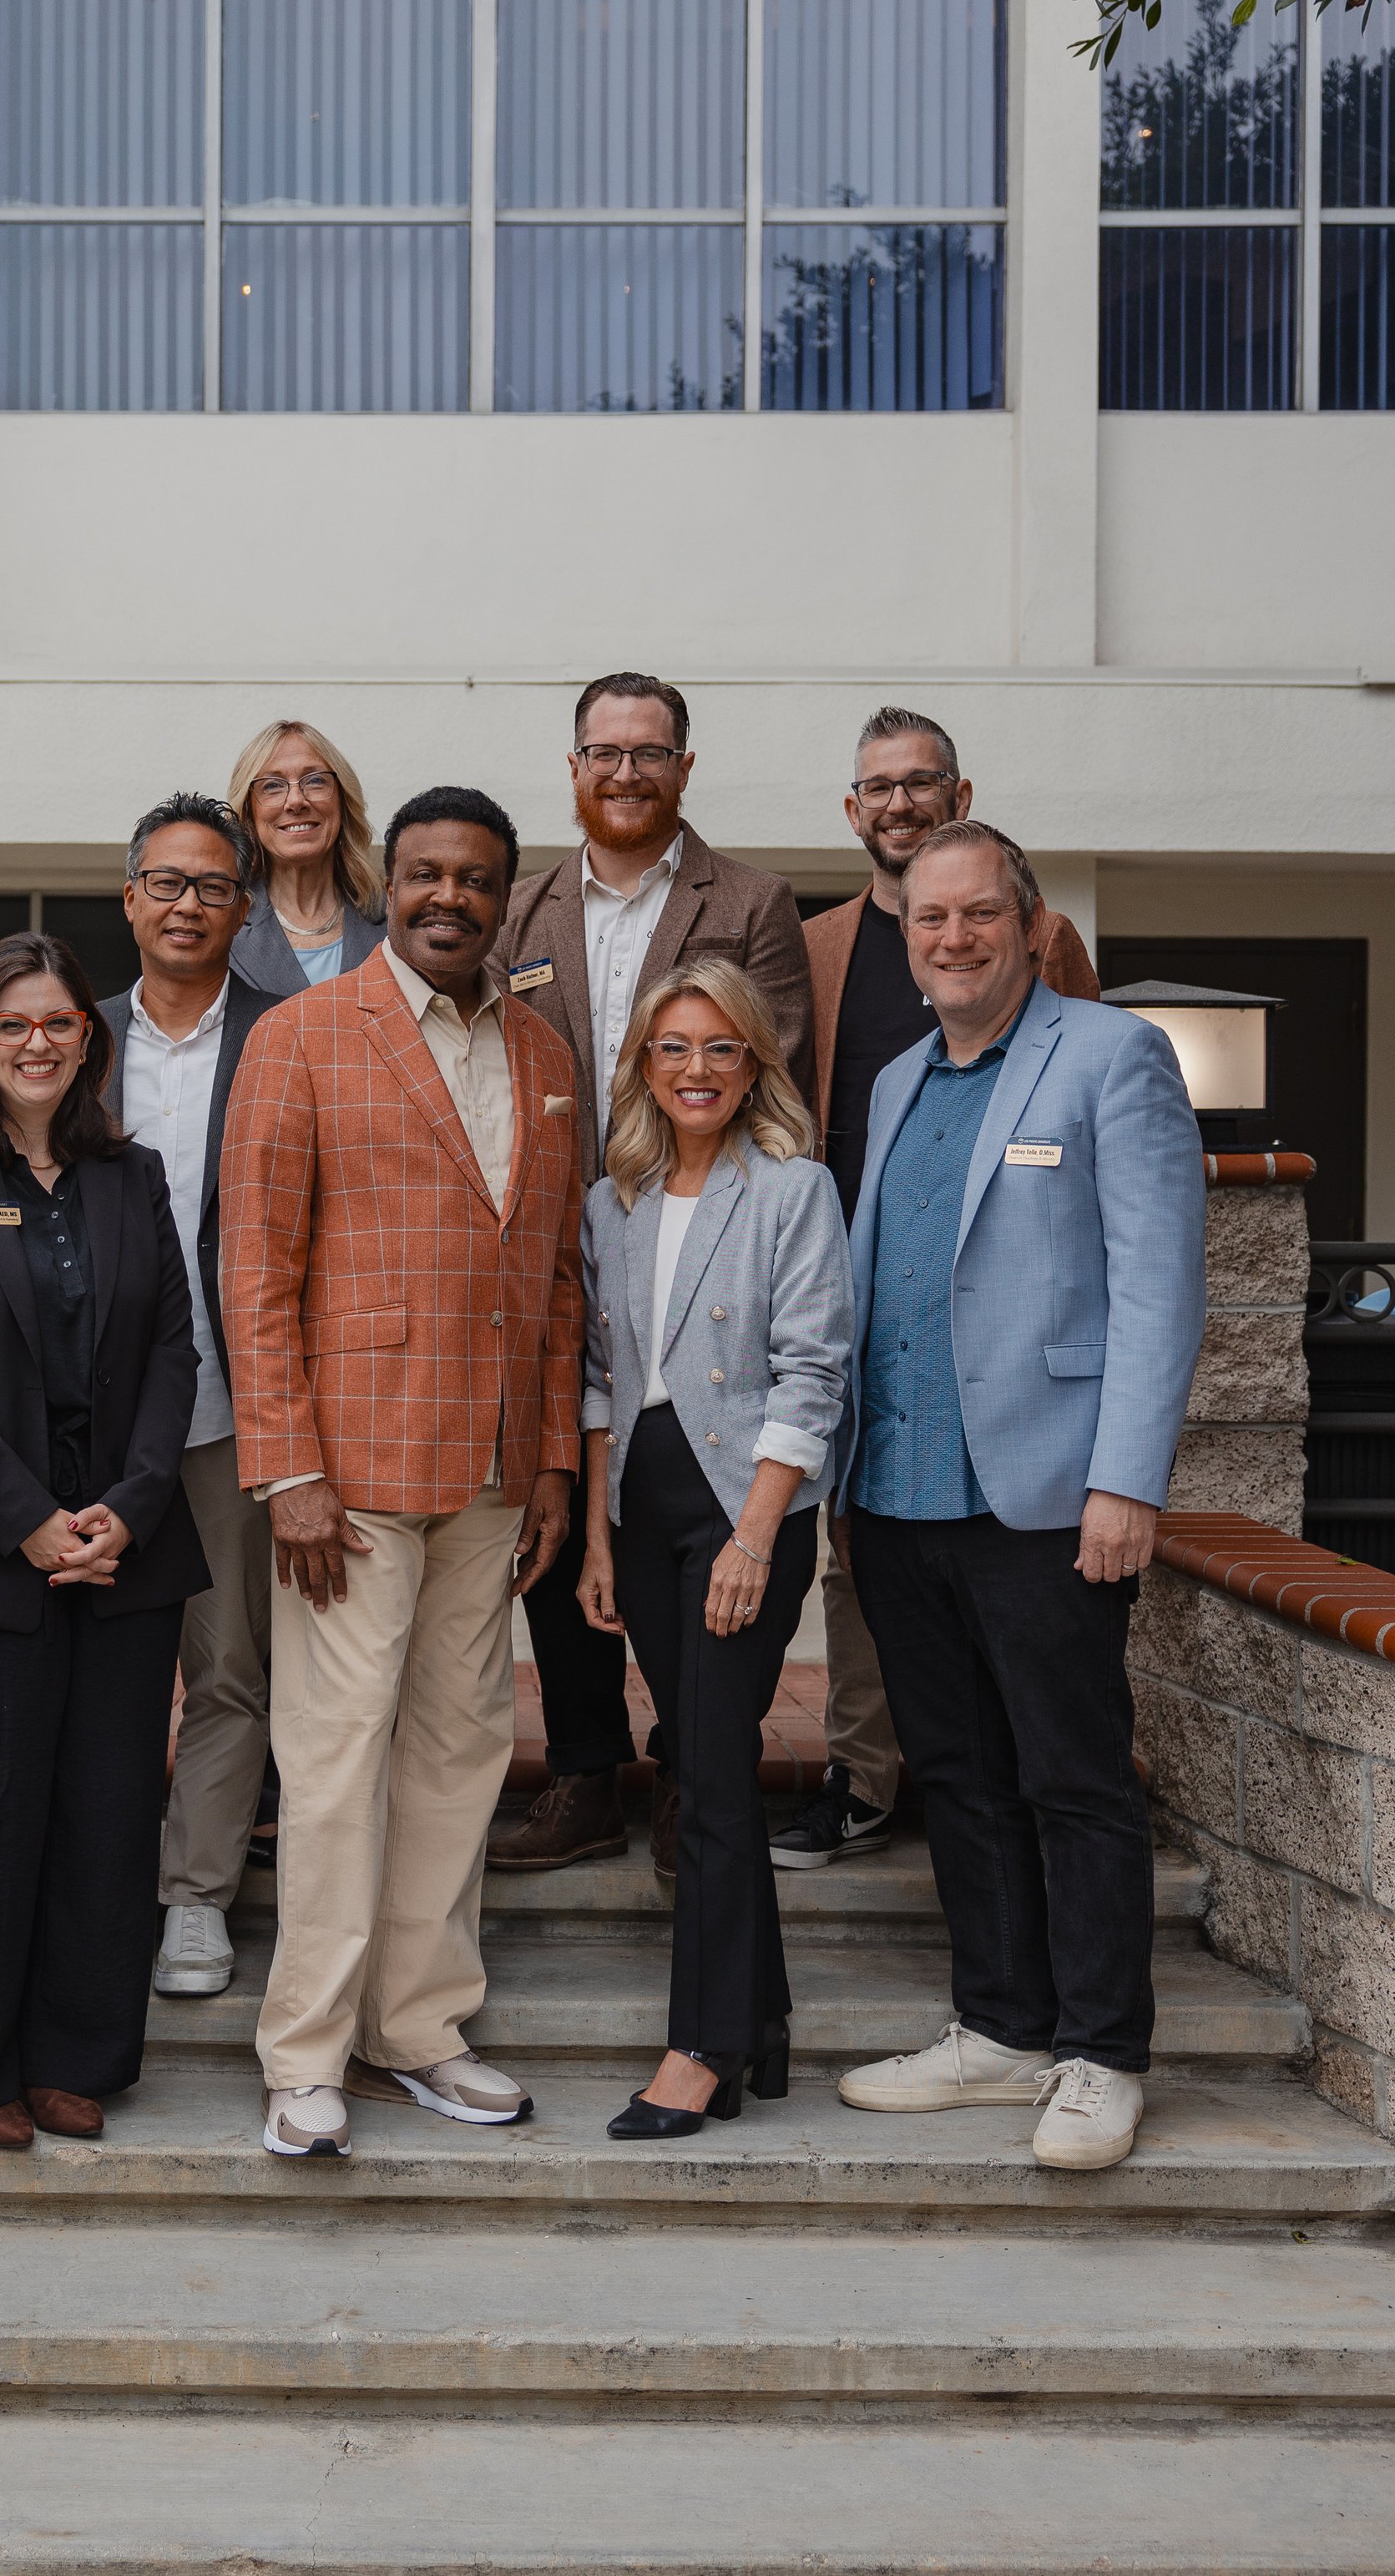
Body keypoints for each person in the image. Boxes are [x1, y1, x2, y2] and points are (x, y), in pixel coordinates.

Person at [832, 820, 1205, 2172]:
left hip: (1048, 1497)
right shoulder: (895, 1081)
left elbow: (1162, 1283)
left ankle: (1101, 2053)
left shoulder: (1113, 1058)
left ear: (1031, 925)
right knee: (960, 1776)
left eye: (979, 914)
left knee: (1074, 1779)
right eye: (930, 920)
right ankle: (998, 2028)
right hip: (899, 1488)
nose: (953, 939)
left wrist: (1126, 1481)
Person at [221, 786, 584, 2161]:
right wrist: (285, 1467)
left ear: (504, 897)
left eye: (477, 881)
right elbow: (255, 1271)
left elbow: (550, 1280)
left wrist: (551, 1462)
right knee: (330, 1760)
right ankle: (306, 2051)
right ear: (397, 881)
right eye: (427, 874)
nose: (450, 899)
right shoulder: (304, 1035)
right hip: (348, 1471)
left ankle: (419, 2026)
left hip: (491, 1469)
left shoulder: (544, 1051)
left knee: (460, 1749)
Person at [0, 934, 210, 2149]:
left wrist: (135, 1499)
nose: (38, 1042)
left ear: (90, 1039)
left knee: (105, 1815)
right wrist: (27, 1523)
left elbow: (175, 1351)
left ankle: (79, 2058)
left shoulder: (134, 1176)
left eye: (60, 1021)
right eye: (13, 1023)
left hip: (120, 1549)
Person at [489, 670, 816, 1875]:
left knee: (695, 1513)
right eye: (603, 751)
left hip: (698, 1238)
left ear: (685, 767)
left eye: (649, 751)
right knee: (562, 1494)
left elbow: (780, 1083)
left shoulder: (753, 900)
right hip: (552, 1250)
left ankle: (693, 1768)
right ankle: (584, 1769)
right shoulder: (521, 915)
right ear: (573, 767)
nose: (625, 772)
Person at [781, 711, 1100, 1873]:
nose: (900, 802)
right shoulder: (816, 946)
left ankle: (1007, 1776)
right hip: (862, 1286)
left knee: (1000, 1553)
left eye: (921, 783)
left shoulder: (1041, 933)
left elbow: (1082, 1093)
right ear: (851, 810)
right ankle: (865, 1776)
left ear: (959, 790)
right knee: (859, 1546)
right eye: (879, 787)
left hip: (1004, 1294)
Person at [578, 959, 852, 2136]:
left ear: (755, 1065)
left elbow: (814, 1369)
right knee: (698, 1764)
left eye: (721, 1048)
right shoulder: (614, 1197)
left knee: (718, 1775)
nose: (696, 1070)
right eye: (673, 1048)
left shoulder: (794, 1189)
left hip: (750, 1506)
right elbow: (600, 1379)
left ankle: (701, 2045)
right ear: (644, 1062)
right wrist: (595, 1534)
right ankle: (764, 2019)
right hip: (644, 1504)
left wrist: (754, 1538)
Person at [96, 795, 279, 2000]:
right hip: (86, 1416)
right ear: (129, 899)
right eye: (165, 882)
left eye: (211, 886)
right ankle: (94, 1884)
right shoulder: (67, 1032)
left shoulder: (292, 1035)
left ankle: (197, 1897)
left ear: (244, 907)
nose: (186, 904)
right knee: (97, 1672)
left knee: (228, 1667)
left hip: (231, 1403)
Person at [226, 718, 387, 996]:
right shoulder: (224, 922)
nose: (296, 801)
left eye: (315, 781)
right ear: (249, 814)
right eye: (272, 786)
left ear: (342, 801)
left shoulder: (392, 917)